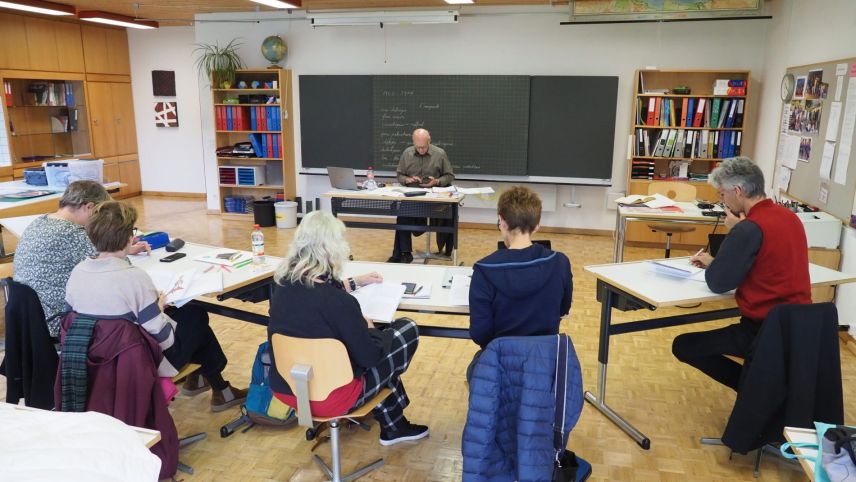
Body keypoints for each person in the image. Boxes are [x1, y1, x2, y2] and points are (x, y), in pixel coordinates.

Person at [64, 201, 247, 412]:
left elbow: (72, 320)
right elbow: (164, 338)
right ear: (128, 237)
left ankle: (208, 384)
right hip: (136, 361)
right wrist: (159, 308)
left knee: (189, 316)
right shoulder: (133, 278)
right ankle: (219, 388)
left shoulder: (78, 271)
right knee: (195, 316)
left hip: (91, 357)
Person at [269, 210, 429, 446]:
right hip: (335, 398)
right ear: (334, 250)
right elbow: (370, 358)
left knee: (377, 355)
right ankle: (393, 426)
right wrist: (372, 329)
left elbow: (315, 291)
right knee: (402, 333)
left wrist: (355, 282)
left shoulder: (279, 287)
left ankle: (395, 424)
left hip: (289, 390)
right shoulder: (340, 303)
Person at [672, 157, 811, 390]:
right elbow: (762, 260)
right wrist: (718, 259)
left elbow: (718, 282)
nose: (721, 201)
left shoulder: (748, 228)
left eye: (722, 195)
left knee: (684, 345)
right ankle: (760, 387)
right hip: (801, 327)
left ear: (737, 191)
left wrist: (734, 232)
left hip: (763, 330)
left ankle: (752, 388)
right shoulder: (790, 217)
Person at [13, 180, 149, 339]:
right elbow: (120, 270)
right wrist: (121, 248)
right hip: (58, 321)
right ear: (89, 207)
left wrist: (123, 248)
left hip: (29, 318)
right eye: (101, 213)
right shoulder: (74, 234)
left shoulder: (41, 221)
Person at [467, 186, 573, 381]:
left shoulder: (484, 269)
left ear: (502, 221)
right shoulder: (560, 262)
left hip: (500, 365)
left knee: (474, 367)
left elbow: (479, 334)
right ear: (537, 225)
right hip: (544, 365)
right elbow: (563, 309)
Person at [388, 128, 455, 263]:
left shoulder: (440, 154)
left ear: (429, 142)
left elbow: (449, 176)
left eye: (423, 147)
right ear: (413, 143)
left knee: (449, 214)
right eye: (418, 147)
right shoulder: (407, 153)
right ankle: (405, 253)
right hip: (413, 196)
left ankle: (446, 249)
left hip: (434, 199)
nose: (421, 150)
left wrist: (437, 181)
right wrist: (407, 180)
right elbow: (400, 174)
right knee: (402, 215)